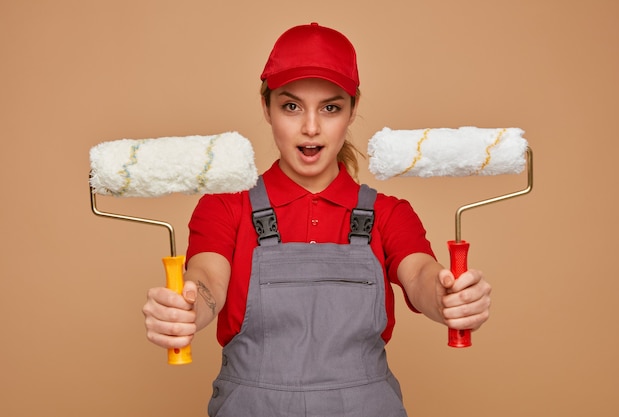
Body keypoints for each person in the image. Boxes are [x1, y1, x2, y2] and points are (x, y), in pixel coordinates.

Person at [142, 22, 492, 417]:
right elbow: (207, 281)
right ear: (267, 109)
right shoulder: (226, 209)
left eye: (331, 107)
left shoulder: (388, 214)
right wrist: (186, 308)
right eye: (291, 106)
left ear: (353, 110)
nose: (311, 127)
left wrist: (450, 299)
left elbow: (422, 277)